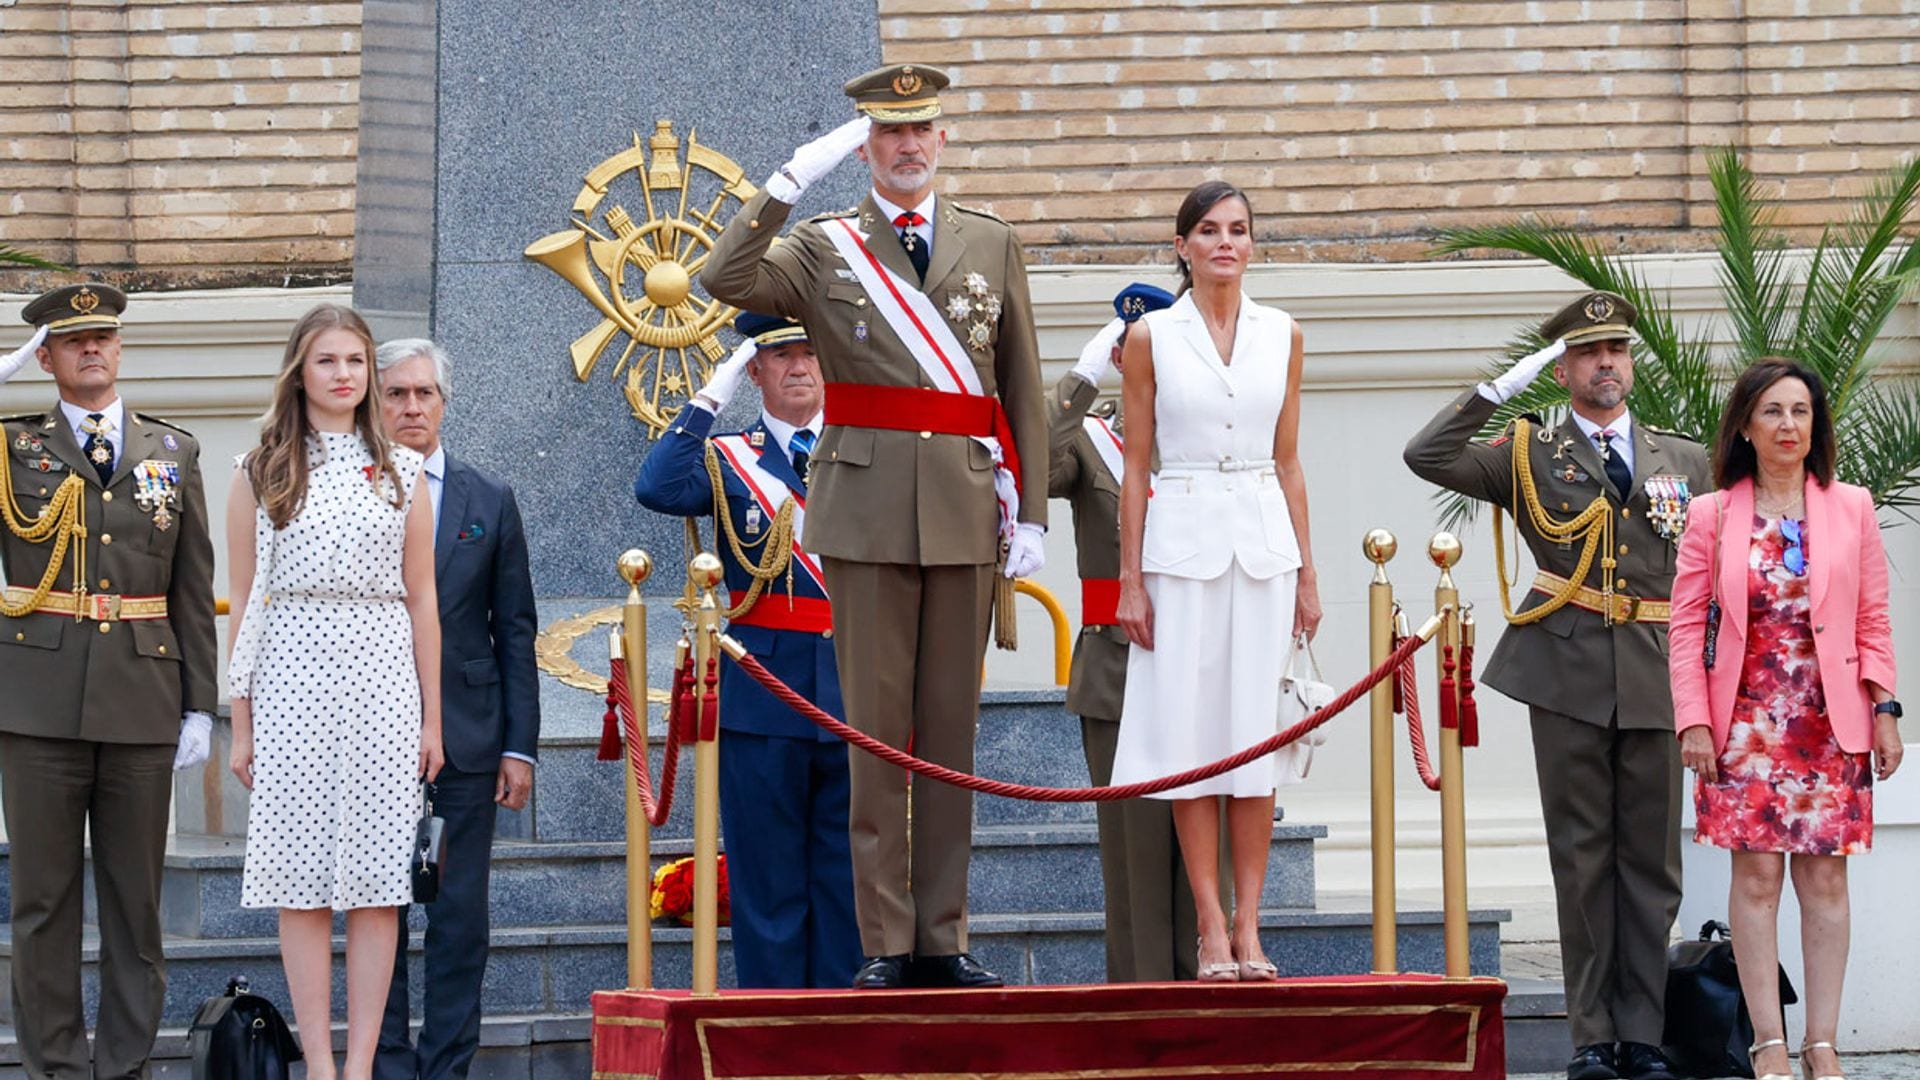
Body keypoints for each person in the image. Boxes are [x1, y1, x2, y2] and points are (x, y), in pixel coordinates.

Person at [701, 63, 1047, 990]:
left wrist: (1034, 507)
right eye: (887, 133)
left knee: (949, 735)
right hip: (860, 512)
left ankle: (945, 934)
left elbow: (1019, 379)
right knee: (874, 736)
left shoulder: (989, 240)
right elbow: (720, 277)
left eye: (920, 130)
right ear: (866, 145)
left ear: (940, 140)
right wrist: (786, 183)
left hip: (967, 507)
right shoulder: (825, 246)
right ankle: (888, 940)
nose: (906, 146)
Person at [1404, 291, 1710, 1080]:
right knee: (1582, 860)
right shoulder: (1528, 451)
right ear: (1565, 367)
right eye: (1587, 353)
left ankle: (1642, 1036)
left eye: (1616, 350)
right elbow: (1428, 455)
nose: (1605, 364)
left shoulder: (1683, 458)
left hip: (1655, 672)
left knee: (1650, 865)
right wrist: (1500, 390)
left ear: (1630, 363)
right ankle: (1591, 1038)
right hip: (1566, 668)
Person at [0, 284, 218, 1080]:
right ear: (46, 358)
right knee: (43, 904)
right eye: (72, 339)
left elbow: (194, 588)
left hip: (141, 698)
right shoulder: (7, 446)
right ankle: (56, 1066)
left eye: (102, 336)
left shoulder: (173, 451)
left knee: (136, 905)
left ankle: (124, 1064)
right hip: (36, 705)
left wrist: (200, 703)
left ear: (119, 349)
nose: (91, 348)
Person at [1108, 182, 1321, 986]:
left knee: (1254, 741)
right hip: (1183, 538)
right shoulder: (1151, 336)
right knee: (1192, 739)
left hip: (1264, 542)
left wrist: (1308, 571)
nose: (1225, 242)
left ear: (1253, 244)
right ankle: (1208, 926)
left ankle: (1251, 922)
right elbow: (1134, 467)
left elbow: (1291, 459)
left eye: (1238, 230)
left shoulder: (1284, 333)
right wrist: (1130, 579)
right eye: (1208, 230)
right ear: (1183, 245)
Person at [226, 303, 445, 1080]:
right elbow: (246, 601)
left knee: (381, 881)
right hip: (290, 673)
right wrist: (242, 721)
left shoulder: (403, 471)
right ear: (300, 371)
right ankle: (318, 1062)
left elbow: (423, 600)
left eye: (356, 361)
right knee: (301, 876)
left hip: (382, 675)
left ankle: (360, 1068)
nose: (344, 374)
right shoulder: (260, 471)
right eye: (328, 361)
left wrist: (431, 720)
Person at [1669, 358, 1901, 1080]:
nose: (1788, 425)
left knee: (1826, 883)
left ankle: (1821, 1044)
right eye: (1772, 411)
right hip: (1742, 724)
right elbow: (1683, 628)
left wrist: (1885, 709)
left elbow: (1871, 619)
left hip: (1829, 722)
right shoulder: (1712, 514)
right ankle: (1768, 1042)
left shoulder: (1851, 507)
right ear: (1745, 424)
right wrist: (1693, 722)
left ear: (1816, 425)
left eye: (1801, 411)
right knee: (1759, 878)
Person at [633, 312, 861, 988]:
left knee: (846, 881)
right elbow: (658, 487)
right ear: (755, 370)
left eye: (809, 353)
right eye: (779, 355)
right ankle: (773, 1031)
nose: (798, 367)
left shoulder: (859, 448)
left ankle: (845, 1033)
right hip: (761, 695)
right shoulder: (728, 455)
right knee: (767, 883)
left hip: (854, 688)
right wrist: (712, 395)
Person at [372, 338, 540, 1080]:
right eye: (396, 395)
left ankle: (447, 1068)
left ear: (444, 402)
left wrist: (521, 747)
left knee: (460, 919)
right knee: (378, 913)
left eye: (424, 394)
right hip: (370, 732)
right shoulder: (349, 491)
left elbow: (516, 627)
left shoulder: (488, 497)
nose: (411, 407)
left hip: (471, 742)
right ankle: (387, 1064)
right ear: (375, 404)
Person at [1048, 282, 1198, 982]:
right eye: (1132, 350)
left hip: (1207, 655)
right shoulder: (1090, 440)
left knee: (1213, 840)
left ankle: (1211, 986)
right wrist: (1081, 378)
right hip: (1120, 663)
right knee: (1136, 852)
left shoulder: (1219, 432)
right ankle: (1142, 1001)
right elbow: (1032, 462)